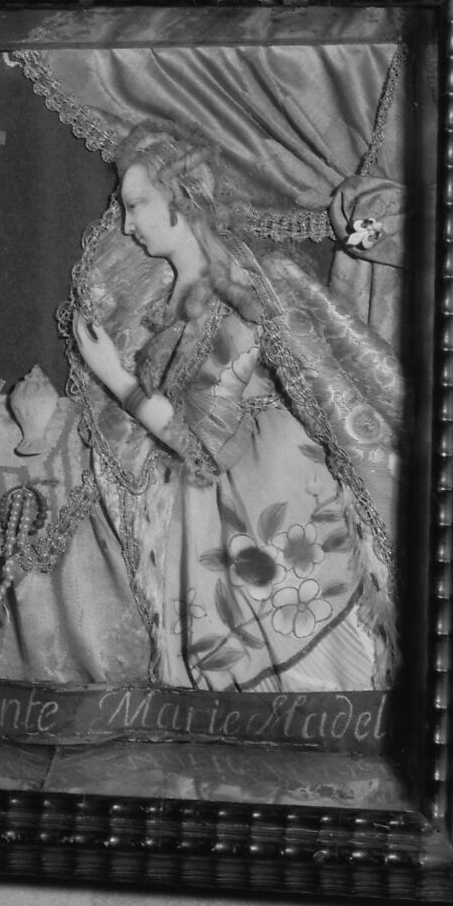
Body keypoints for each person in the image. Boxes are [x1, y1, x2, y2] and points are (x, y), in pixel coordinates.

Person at [68, 121, 405, 694]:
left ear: (181, 197)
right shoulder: (179, 293)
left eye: (136, 205)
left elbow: (206, 448)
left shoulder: (232, 295)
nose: (127, 225)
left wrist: (116, 378)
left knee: (299, 662)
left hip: (264, 484)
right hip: (221, 497)